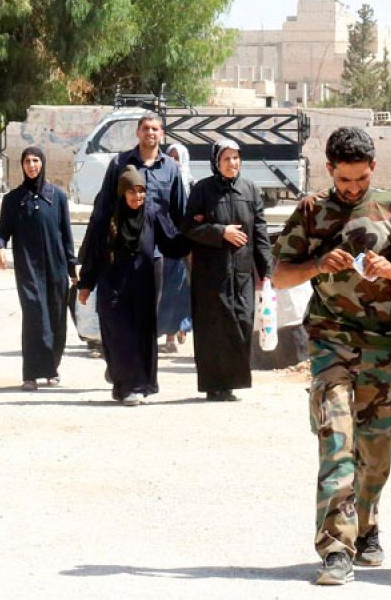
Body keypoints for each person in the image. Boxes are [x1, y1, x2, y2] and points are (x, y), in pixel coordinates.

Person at [271, 126, 391, 585]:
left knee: (375, 446)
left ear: (372, 167)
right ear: (330, 170)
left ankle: (368, 522)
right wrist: (317, 265)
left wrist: (390, 270)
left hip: (382, 345)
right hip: (331, 340)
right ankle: (336, 547)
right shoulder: (311, 212)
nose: (351, 189)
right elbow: (278, 276)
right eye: (343, 180)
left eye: (359, 180)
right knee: (336, 439)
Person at [77, 165, 186, 405]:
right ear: (122, 193)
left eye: (141, 191)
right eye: (132, 192)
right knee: (118, 336)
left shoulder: (152, 214)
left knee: (139, 336)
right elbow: (95, 254)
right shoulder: (107, 219)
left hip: (142, 285)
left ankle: (134, 386)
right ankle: (123, 383)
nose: (137, 197)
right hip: (113, 285)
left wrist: (197, 235)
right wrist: (86, 284)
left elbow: (172, 243)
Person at [86, 113, 186, 363]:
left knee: (147, 315)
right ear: (137, 132)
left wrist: (185, 251)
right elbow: (103, 209)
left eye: (155, 129)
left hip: (154, 257)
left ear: (162, 134)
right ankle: (119, 365)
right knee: (117, 313)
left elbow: (179, 215)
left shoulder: (171, 169)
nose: (150, 133)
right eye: (145, 128)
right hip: (120, 255)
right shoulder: (120, 164)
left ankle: (137, 371)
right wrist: (92, 254)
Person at [182, 138, 272, 401]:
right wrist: (221, 232)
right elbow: (188, 227)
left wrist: (266, 271)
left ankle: (232, 382)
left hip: (242, 273)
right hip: (211, 274)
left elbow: (261, 233)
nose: (232, 163)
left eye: (236, 158)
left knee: (242, 321)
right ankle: (213, 385)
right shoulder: (202, 190)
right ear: (216, 162)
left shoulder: (250, 190)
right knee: (213, 328)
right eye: (226, 158)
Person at [0, 146, 76, 390]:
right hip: (28, 267)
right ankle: (30, 374)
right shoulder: (13, 200)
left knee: (56, 318)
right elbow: (2, 230)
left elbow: (67, 235)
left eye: (36, 161)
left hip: (56, 266)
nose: (32, 165)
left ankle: (51, 369)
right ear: (22, 165)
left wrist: (73, 268)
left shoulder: (58, 197)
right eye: (27, 161)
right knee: (34, 316)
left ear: (42, 164)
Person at [158, 143, 194, 353]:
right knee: (162, 291)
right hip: (162, 245)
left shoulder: (193, 185)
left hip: (184, 246)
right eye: (170, 156)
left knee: (180, 291)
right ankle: (167, 333)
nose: (174, 161)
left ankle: (176, 332)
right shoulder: (160, 181)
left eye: (177, 157)